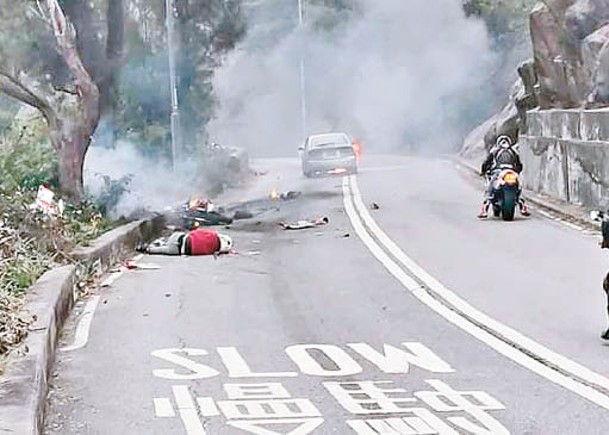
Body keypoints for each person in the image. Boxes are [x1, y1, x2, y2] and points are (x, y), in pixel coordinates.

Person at [477, 135, 530, 218]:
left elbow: (486, 163)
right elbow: (519, 165)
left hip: (498, 172)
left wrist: (483, 171)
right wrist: (517, 171)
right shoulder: (514, 151)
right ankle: (523, 206)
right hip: (512, 172)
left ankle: (484, 209)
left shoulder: (494, 151)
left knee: (490, 189)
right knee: (518, 187)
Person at [139, 228, 233, 256]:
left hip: (179, 238)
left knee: (171, 235)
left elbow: (195, 232)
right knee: (163, 250)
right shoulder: (211, 251)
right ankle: (147, 249)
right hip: (180, 251)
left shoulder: (211, 235)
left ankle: (158, 241)